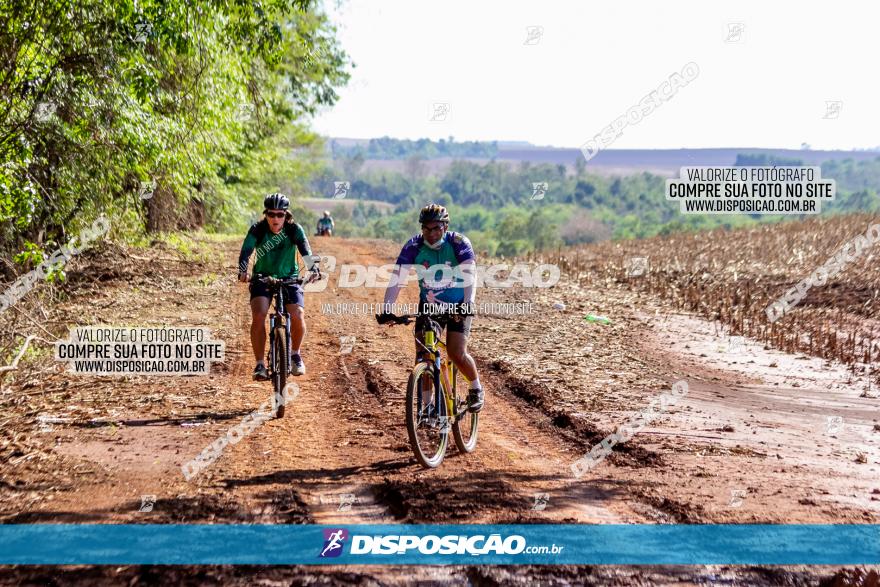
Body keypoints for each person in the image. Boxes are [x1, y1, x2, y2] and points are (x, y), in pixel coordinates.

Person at [377, 203, 484, 412]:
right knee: (423, 354)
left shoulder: (458, 242)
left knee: (456, 353)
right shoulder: (413, 246)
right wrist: (387, 308)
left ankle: (475, 388)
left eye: (435, 228)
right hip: (429, 307)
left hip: (458, 305)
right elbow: (397, 279)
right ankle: (427, 406)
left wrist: (468, 303)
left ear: (445, 226)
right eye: (426, 228)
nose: (431, 233)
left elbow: (470, 274)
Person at [238, 193, 320, 380]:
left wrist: (313, 268)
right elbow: (246, 251)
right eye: (271, 214)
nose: (275, 219)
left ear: (286, 215)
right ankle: (259, 364)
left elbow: (305, 250)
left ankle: (295, 355)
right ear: (265, 214)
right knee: (259, 315)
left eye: (280, 215)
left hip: (289, 277)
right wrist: (243, 270)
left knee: (298, 315)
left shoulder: (294, 230)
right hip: (262, 277)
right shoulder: (257, 229)